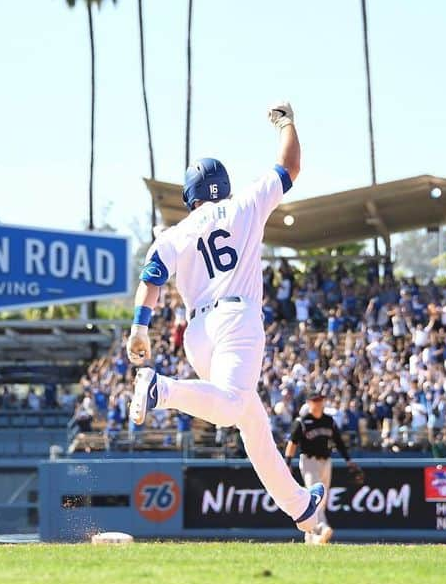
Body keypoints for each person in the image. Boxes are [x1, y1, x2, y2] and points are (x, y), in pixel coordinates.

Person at [126, 102, 325, 534]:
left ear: (190, 197)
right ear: (224, 186)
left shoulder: (174, 233)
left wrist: (140, 326)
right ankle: (161, 389)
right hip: (237, 317)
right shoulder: (246, 204)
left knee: (251, 420)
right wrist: (285, 121)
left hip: (197, 332)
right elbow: (291, 163)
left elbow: (152, 280)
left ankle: (302, 511)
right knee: (232, 407)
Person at [284, 387, 363, 544]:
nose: (318, 403)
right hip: (309, 461)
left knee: (324, 498)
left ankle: (311, 534)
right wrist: (287, 463)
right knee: (316, 493)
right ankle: (322, 527)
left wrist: (348, 460)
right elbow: (292, 443)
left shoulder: (329, 421)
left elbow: (339, 442)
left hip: (326, 461)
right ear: (309, 403)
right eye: (315, 401)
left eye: (320, 400)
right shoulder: (302, 422)